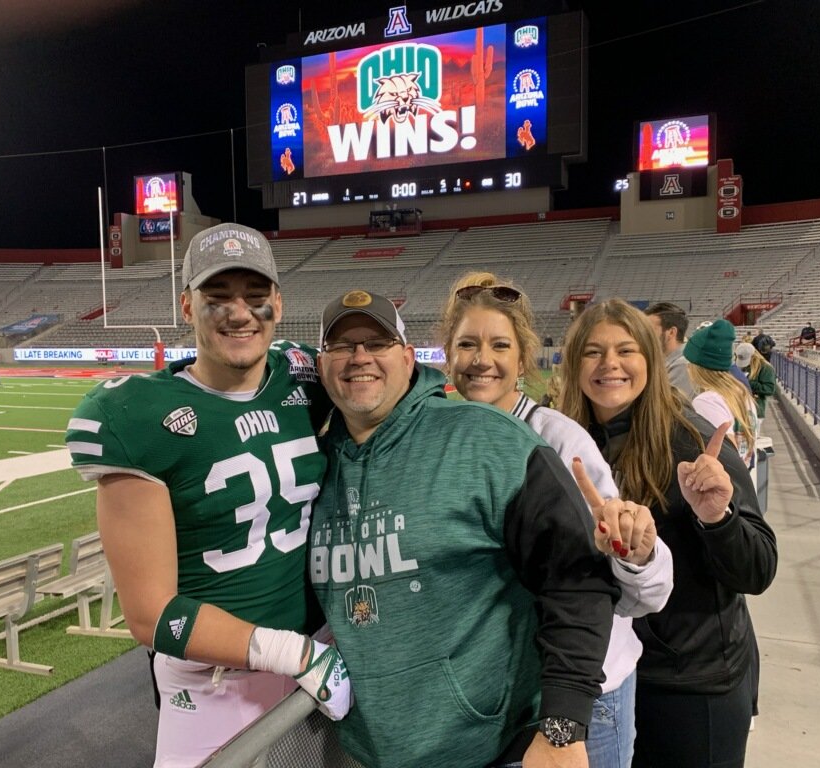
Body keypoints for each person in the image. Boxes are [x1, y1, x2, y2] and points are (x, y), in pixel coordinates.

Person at [65, 223, 352, 768]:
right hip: (214, 686)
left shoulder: (304, 378)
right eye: (216, 297)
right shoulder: (139, 416)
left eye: (255, 297)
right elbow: (151, 616)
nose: (238, 313)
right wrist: (291, 653)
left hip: (319, 657)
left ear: (278, 305)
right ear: (186, 307)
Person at [311, 289, 618, 768]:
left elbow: (577, 580)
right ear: (322, 363)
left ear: (409, 358)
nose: (359, 358)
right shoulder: (314, 469)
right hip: (369, 755)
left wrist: (562, 728)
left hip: (495, 750)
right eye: (342, 346)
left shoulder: (486, 438)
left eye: (377, 343)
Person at [440, 272, 674, 768]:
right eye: (467, 344)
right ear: (448, 356)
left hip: (585, 698)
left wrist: (637, 551)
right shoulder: (448, 441)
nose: (482, 359)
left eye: (499, 344)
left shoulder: (559, 440)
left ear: (523, 359)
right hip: (499, 698)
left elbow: (639, 595)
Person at [558, 299, 777, 768]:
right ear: (573, 363)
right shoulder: (563, 443)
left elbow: (758, 568)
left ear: (651, 362)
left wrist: (718, 518)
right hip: (606, 684)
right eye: (593, 352)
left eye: (626, 350)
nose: (609, 364)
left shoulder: (693, 439)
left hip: (689, 685)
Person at [684, 320, 758, 468]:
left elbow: (725, 455)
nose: (687, 368)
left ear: (698, 366)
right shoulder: (740, 392)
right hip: (743, 482)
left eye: (689, 363)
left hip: (724, 487)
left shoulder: (707, 401)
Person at [643, 302, 695, 399]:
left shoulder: (683, 365)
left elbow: (664, 406)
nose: (645, 336)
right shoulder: (668, 362)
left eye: (650, 331)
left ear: (671, 332)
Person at [736, 342, 777, 422]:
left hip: (754, 410)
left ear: (753, 356)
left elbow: (769, 389)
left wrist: (748, 382)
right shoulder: (736, 365)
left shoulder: (766, 368)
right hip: (737, 409)